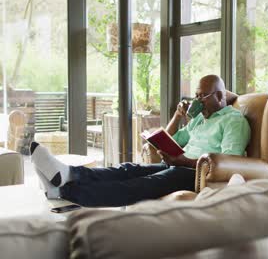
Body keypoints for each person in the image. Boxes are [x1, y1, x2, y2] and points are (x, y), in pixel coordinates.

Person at [31, 75, 250, 207]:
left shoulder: (233, 120)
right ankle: (69, 173)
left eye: (202, 96)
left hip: (196, 174)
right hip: (180, 165)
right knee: (129, 169)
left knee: (140, 185)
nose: (197, 101)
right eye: (196, 95)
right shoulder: (200, 119)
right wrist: (177, 116)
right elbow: (172, 138)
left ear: (220, 96)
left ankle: (64, 192)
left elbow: (229, 161)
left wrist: (184, 162)